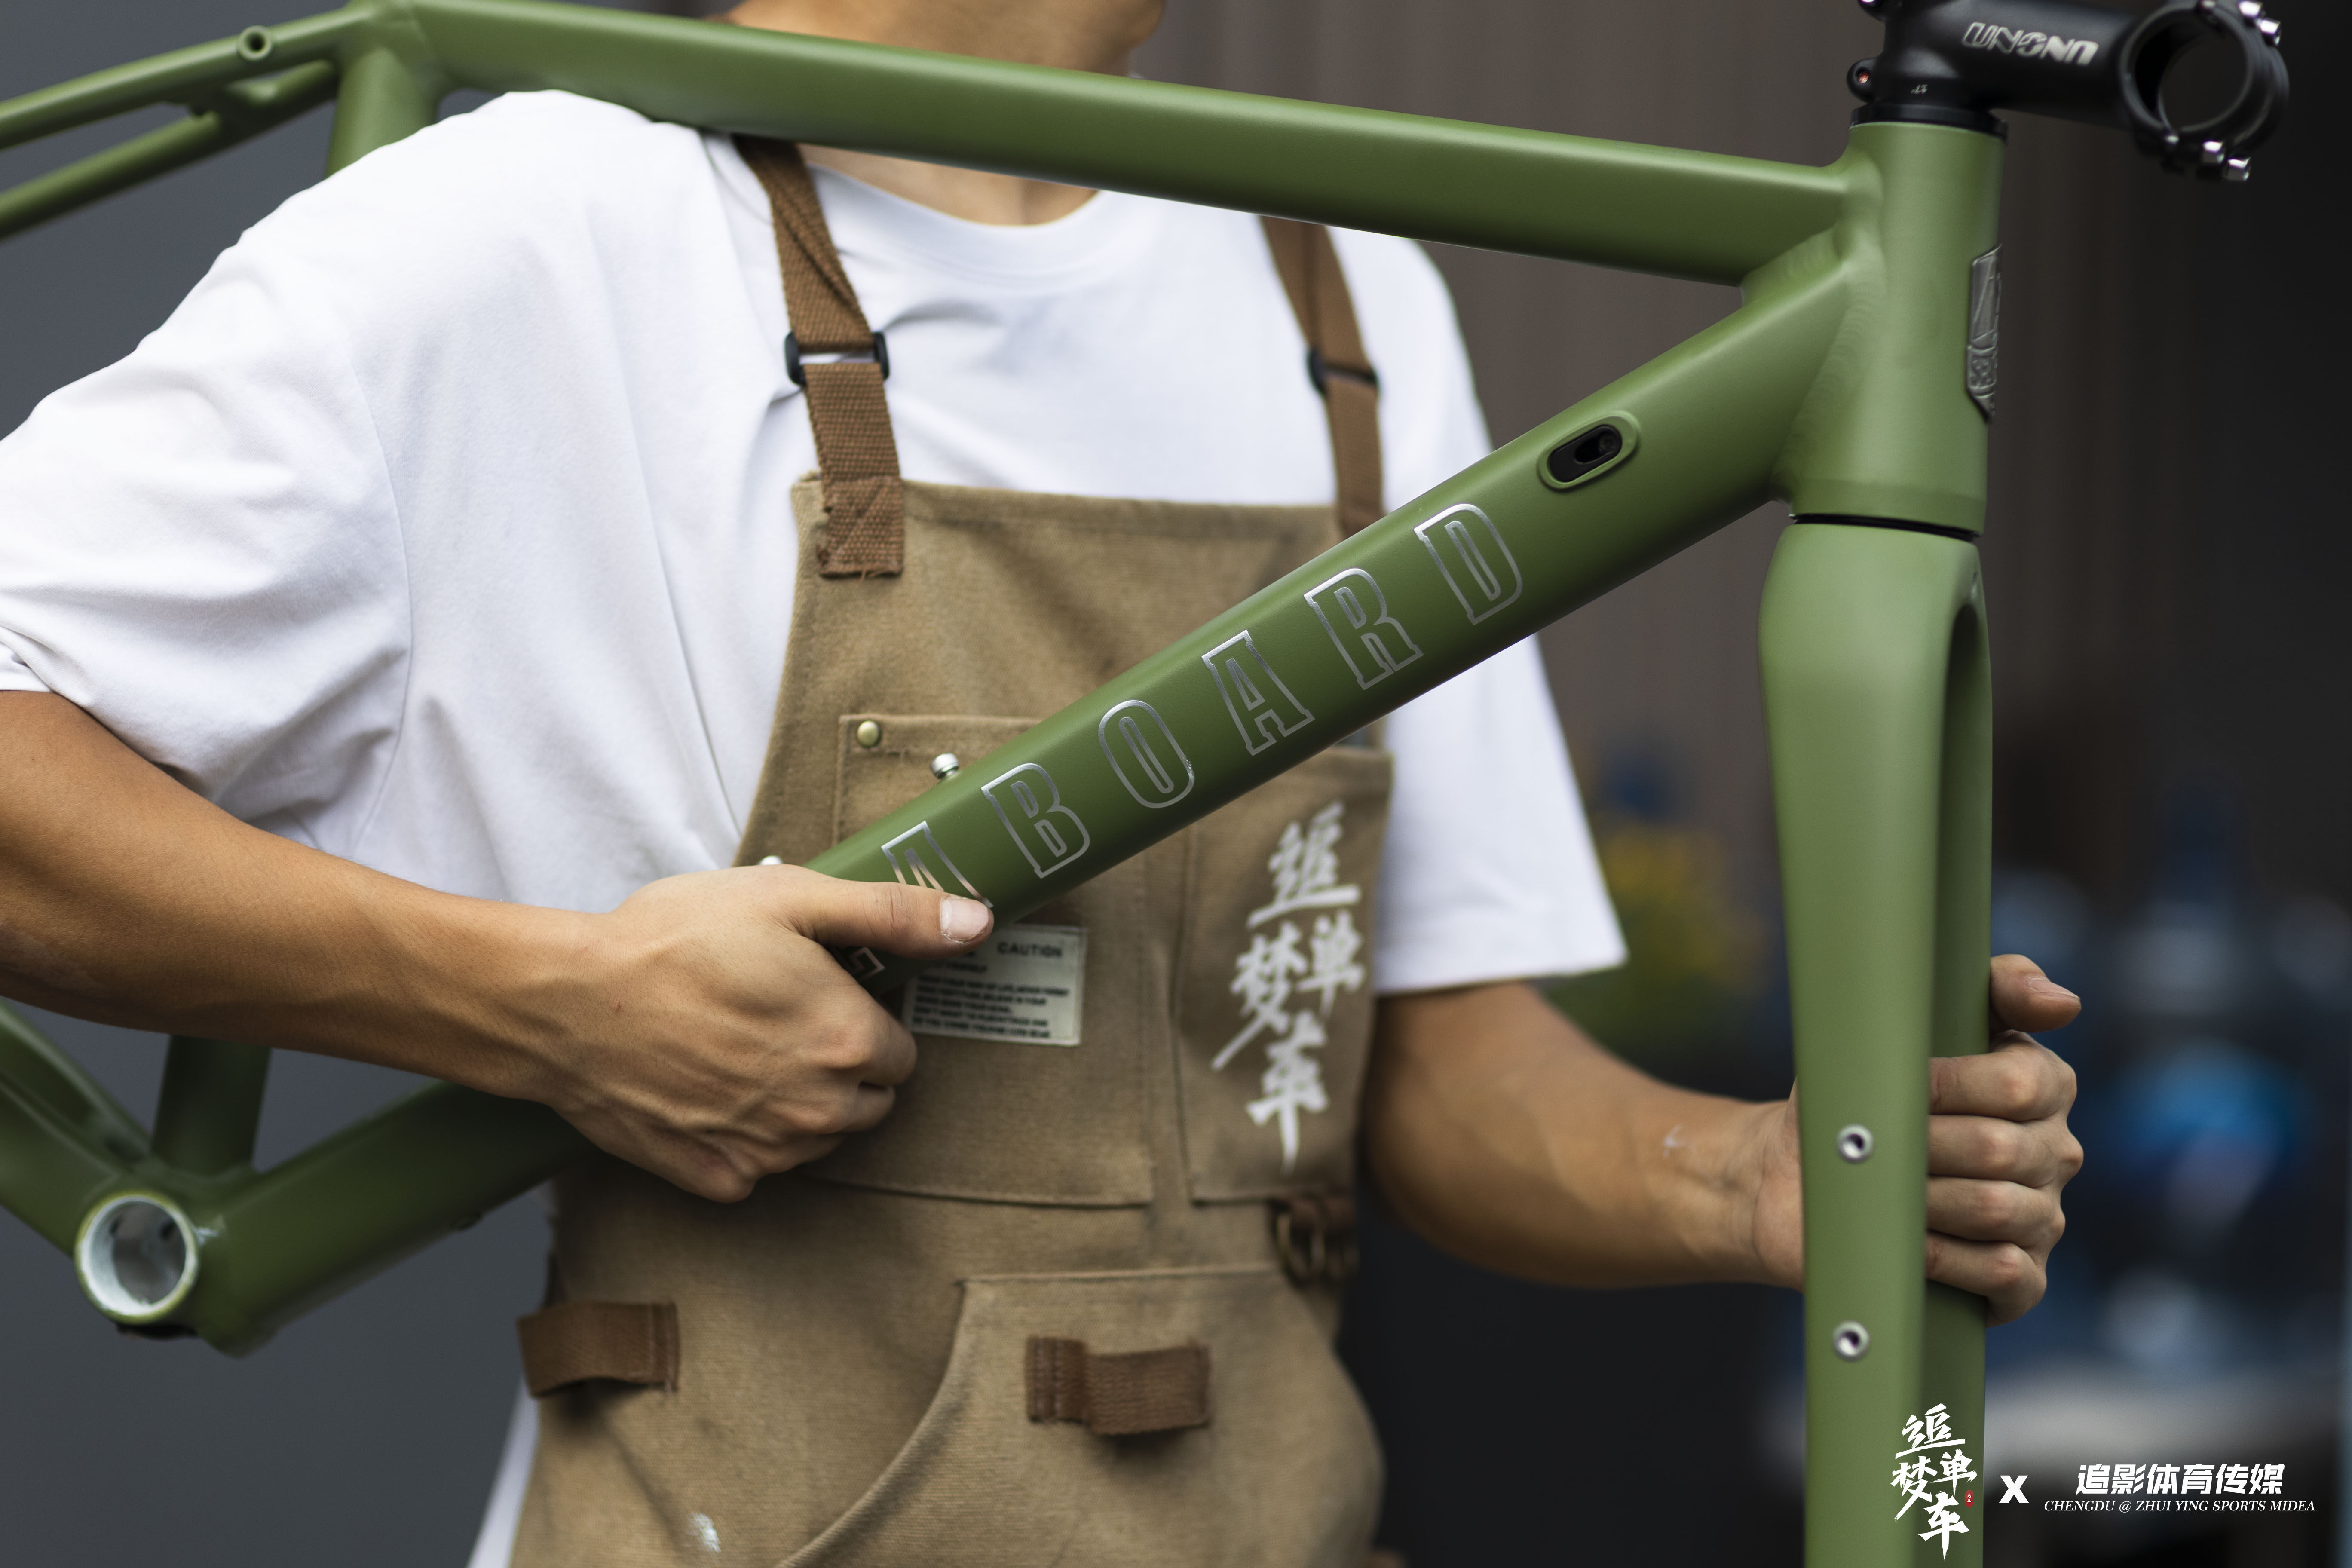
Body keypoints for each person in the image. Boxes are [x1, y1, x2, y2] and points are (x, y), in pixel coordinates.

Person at [0, 0, 2082, 1563]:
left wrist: (1739, 1181)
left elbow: (1412, 1055)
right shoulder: (555, 229)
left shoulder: (1346, 302)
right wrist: (546, 1008)